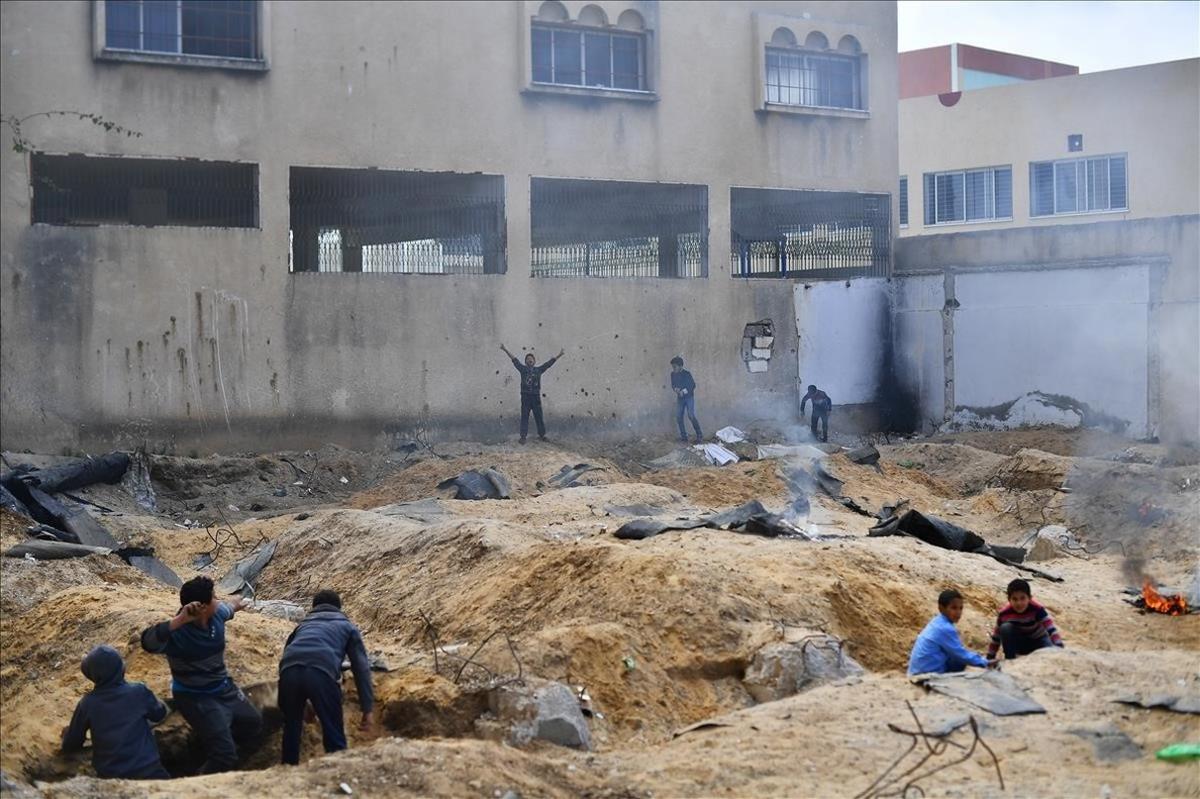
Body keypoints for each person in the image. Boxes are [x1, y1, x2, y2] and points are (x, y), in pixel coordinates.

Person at [140, 576, 262, 774]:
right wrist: (179, 621)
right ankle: (198, 781)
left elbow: (229, 607)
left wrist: (238, 603)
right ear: (203, 607)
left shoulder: (216, 616)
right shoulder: (177, 633)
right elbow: (147, 642)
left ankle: (225, 755)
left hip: (224, 688)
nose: (218, 599)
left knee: (253, 724)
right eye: (214, 596)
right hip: (196, 697)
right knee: (224, 755)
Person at [277, 590, 375, 766]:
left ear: (314, 608)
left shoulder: (302, 626)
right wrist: (367, 709)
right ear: (338, 608)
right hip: (321, 673)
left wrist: (300, 699)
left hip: (288, 673)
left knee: (291, 728)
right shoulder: (347, 627)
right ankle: (337, 771)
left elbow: (287, 658)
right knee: (333, 731)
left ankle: (288, 772)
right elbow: (361, 668)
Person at [61, 645, 170, 780]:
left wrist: (67, 735)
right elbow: (159, 714)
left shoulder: (87, 703)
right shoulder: (138, 691)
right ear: (121, 669)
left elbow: (71, 744)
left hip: (112, 778)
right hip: (149, 770)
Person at [907, 589, 992, 676]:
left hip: (915, 670)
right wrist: (986, 663)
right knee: (959, 660)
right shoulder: (945, 628)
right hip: (924, 673)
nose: (958, 612)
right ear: (941, 608)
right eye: (954, 608)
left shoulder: (937, 621)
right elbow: (961, 654)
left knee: (956, 658)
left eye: (960, 608)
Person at [986, 579, 1064, 661]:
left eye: (1022, 598)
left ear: (1029, 598)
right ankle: (1010, 660)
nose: (1019, 603)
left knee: (1051, 655)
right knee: (1005, 628)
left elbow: (1050, 628)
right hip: (1020, 644)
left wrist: (1059, 647)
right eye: (1015, 599)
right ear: (1009, 600)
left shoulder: (1037, 609)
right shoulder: (1005, 614)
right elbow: (996, 638)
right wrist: (989, 658)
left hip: (1039, 641)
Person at [500, 343, 564, 443]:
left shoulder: (539, 370)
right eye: (528, 359)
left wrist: (559, 355)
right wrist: (505, 349)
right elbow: (514, 360)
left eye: (531, 359)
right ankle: (523, 437)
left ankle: (542, 435)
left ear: (534, 361)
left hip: (536, 397)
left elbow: (548, 364)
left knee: (539, 416)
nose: (530, 360)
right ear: (525, 362)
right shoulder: (523, 369)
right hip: (525, 397)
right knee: (524, 416)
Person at [670, 356, 703, 444]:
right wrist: (675, 389)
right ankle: (684, 437)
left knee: (691, 415)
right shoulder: (673, 374)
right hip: (680, 399)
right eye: (673, 367)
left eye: (675, 367)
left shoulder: (687, 374)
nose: (673, 369)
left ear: (680, 366)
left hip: (689, 398)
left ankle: (699, 435)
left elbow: (692, 385)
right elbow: (673, 385)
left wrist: (683, 391)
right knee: (678, 417)